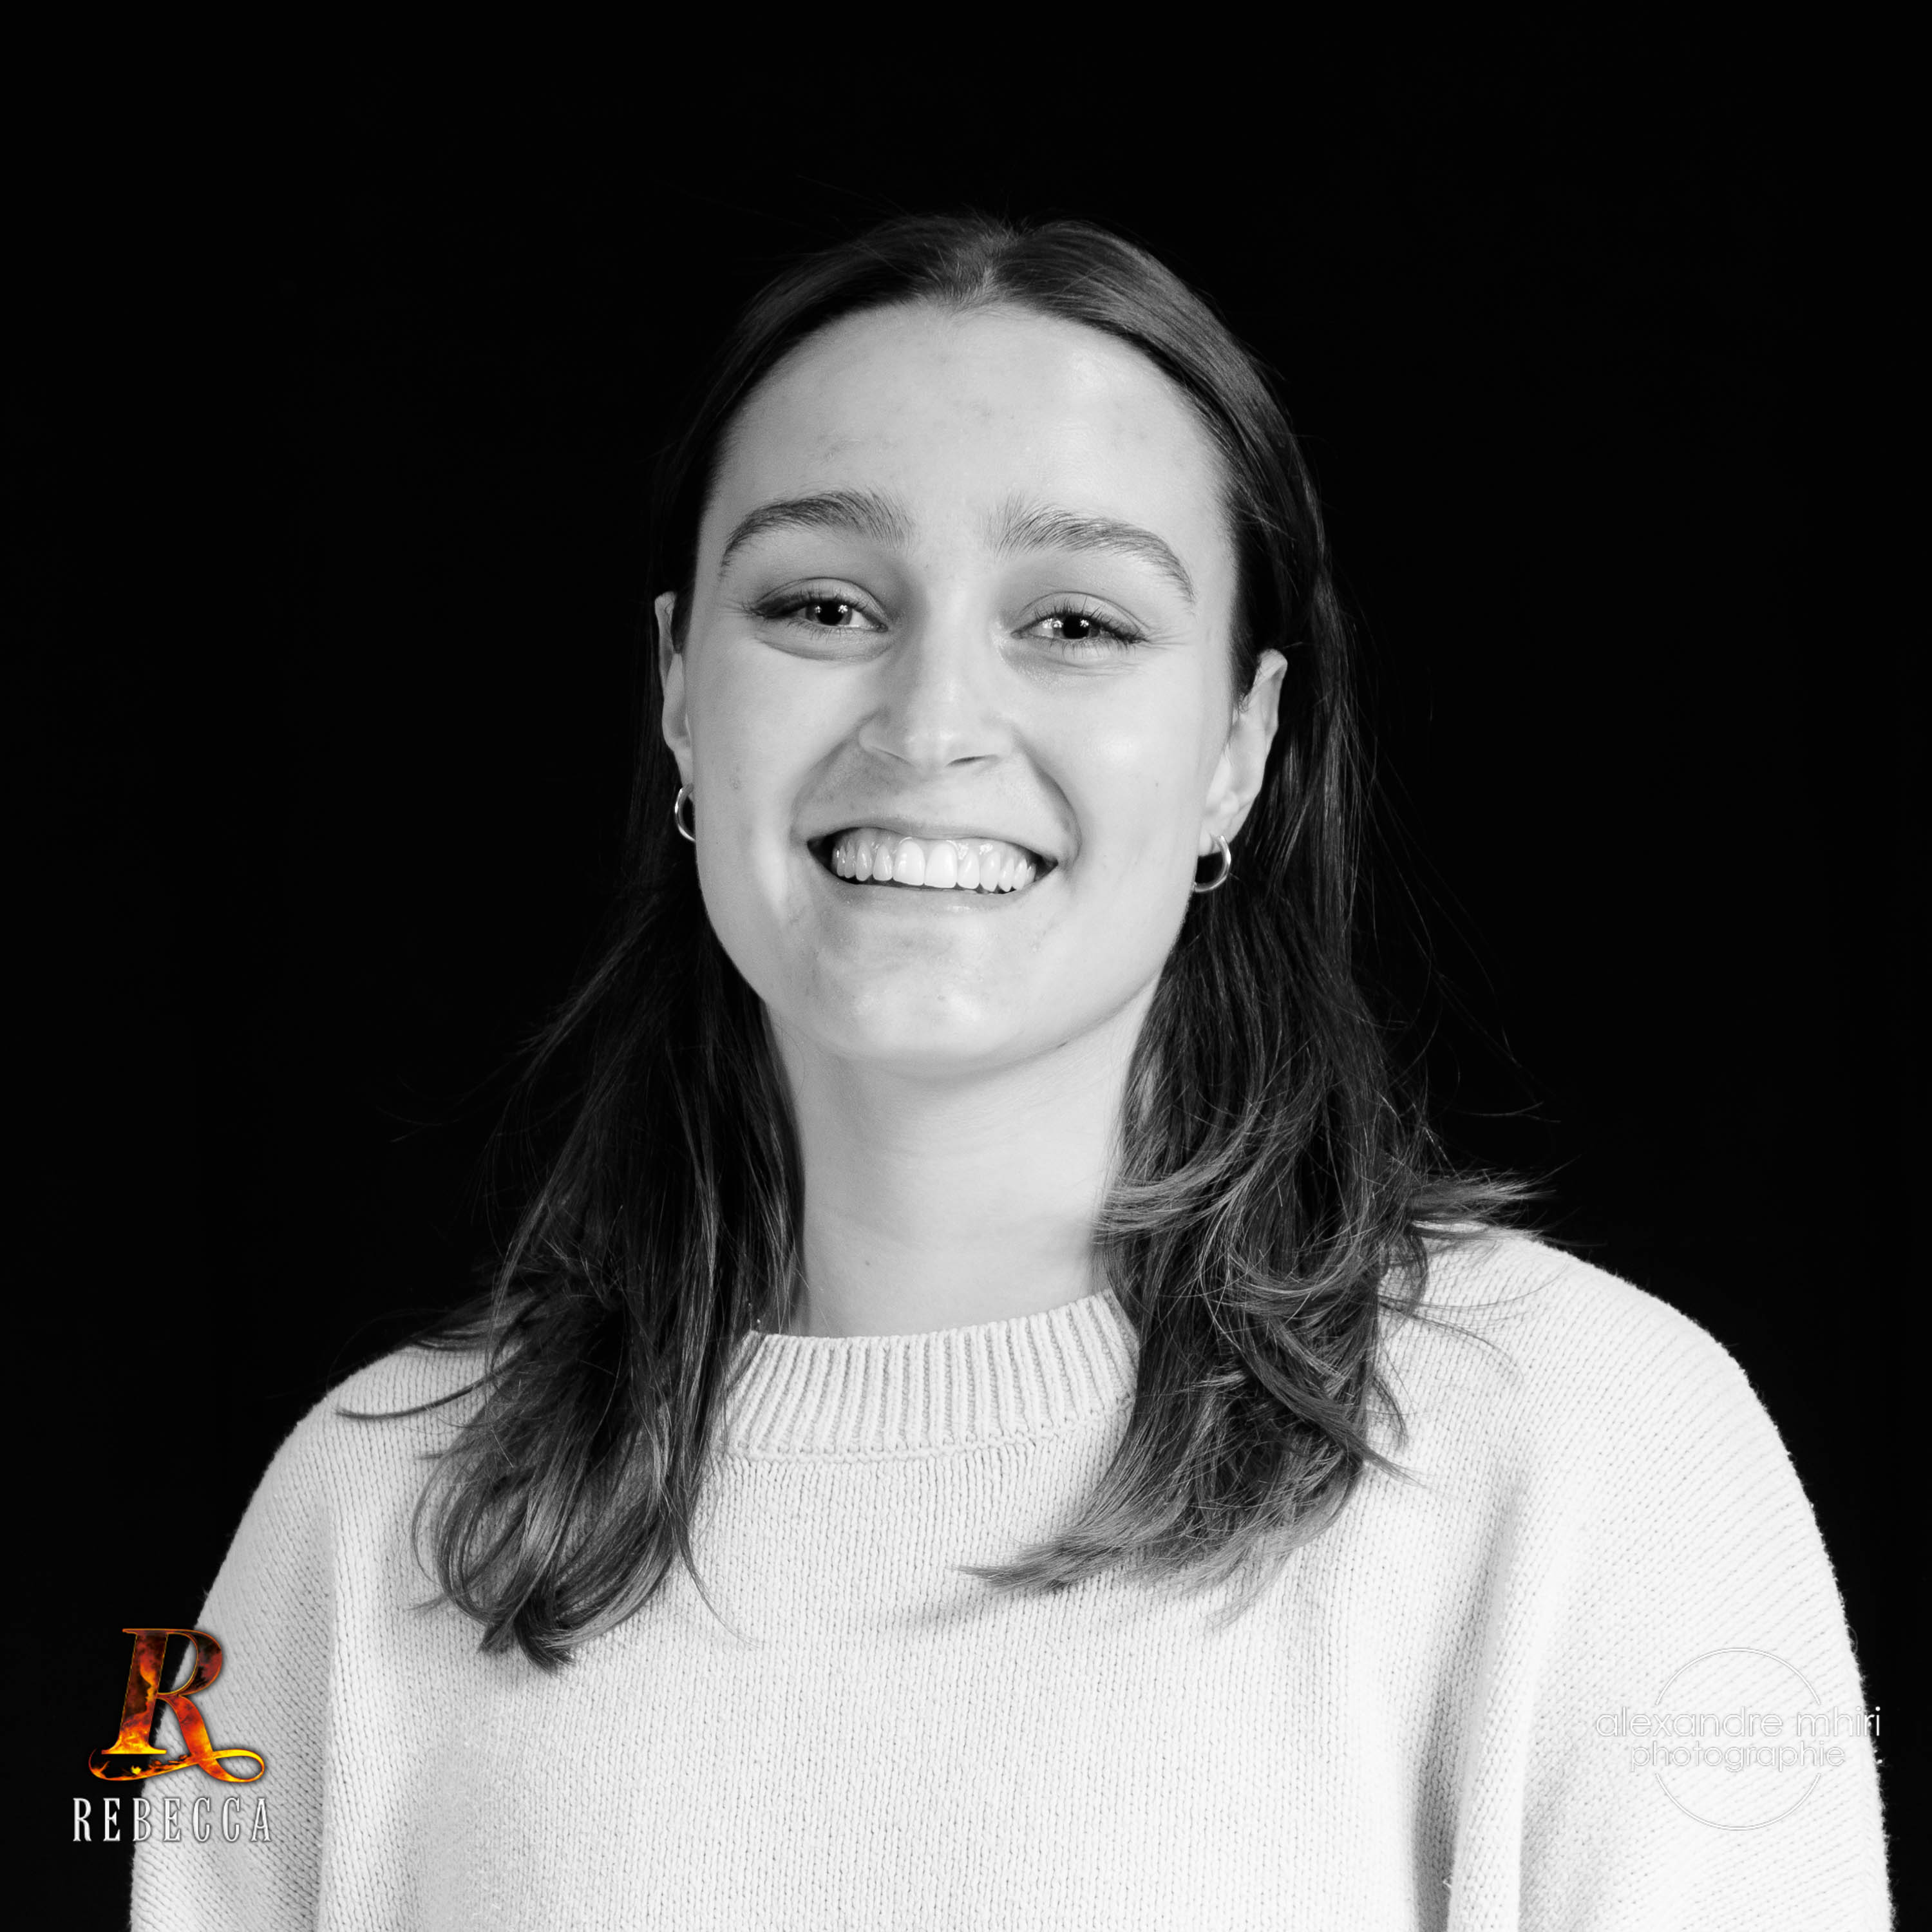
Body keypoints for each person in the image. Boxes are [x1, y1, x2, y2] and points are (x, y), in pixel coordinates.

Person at [132, 214, 1889, 1929]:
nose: (931, 726)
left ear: (1240, 746)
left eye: (1078, 623)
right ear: (679, 690)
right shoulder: (360, 1524)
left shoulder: (1590, 1457)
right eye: (823, 603)